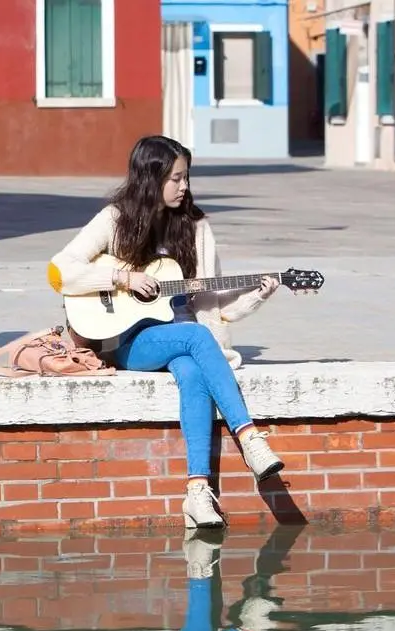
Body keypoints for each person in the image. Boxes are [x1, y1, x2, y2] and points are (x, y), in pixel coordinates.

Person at [47, 135, 283, 529]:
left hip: (175, 337)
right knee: (193, 338)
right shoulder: (114, 219)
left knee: (192, 370)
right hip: (124, 342)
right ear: (150, 177)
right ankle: (250, 438)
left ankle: (197, 492)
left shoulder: (195, 226)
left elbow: (214, 305)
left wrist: (258, 294)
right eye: (176, 178)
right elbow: (61, 270)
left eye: (186, 177)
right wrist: (121, 277)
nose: (184, 186)